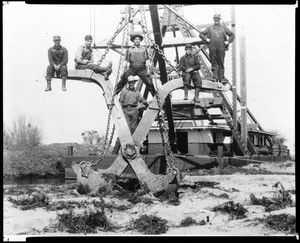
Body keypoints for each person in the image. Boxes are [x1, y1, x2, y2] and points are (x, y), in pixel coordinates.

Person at [199, 13, 235, 83]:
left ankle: (221, 78)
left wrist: (227, 42)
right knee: (214, 62)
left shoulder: (224, 28)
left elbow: (232, 35)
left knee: (221, 62)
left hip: (221, 48)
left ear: (220, 19)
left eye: (218, 19)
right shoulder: (210, 28)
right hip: (212, 47)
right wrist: (206, 39)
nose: (216, 20)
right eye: (215, 19)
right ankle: (215, 77)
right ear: (213, 19)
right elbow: (201, 34)